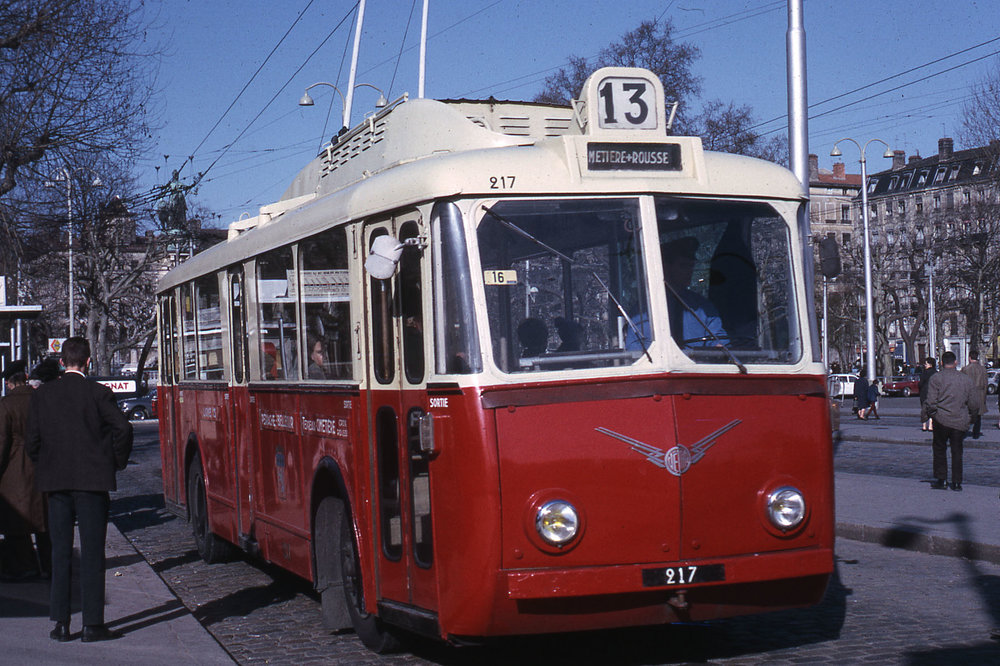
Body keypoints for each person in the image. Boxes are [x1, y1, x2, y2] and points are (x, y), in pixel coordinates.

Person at [26, 337, 134, 642]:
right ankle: (92, 623)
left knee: (60, 552)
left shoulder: (43, 395)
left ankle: (61, 622)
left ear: (62, 362)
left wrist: (45, 463)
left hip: (56, 482)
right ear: (88, 362)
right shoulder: (99, 393)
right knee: (92, 552)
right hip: (92, 482)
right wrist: (114, 462)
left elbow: (32, 440)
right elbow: (123, 429)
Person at [0, 361, 50, 580]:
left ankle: (25, 566)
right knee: (44, 522)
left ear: (8, 383)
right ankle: (49, 565)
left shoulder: (6, 405)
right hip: (43, 465)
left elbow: (1, 442)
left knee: (17, 522)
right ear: (26, 376)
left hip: (15, 468)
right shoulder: (41, 399)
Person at [924, 350, 973, 491]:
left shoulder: (936, 378)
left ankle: (942, 479)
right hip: (960, 419)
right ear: (956, 362)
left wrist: (933, 414)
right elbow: (974, 402)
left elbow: (931, 401)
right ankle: (957, 482)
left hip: (941, 419)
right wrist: (971, 416)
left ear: (941, 363)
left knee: (939, 449)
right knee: (957, 451)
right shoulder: (966, 379)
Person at [961, 349, 988, 439]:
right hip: (980, 394)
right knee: (978, 416)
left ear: (969, 358)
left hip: (969, 394)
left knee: (967, 414)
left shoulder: (965, 369)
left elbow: (962, 384)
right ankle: (976, 434)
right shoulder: (983, 369)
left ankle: (964, 432)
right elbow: (985, 384)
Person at [918, 357, 936, 431]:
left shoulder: (924, 373)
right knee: (932, 409)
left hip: (924, 393)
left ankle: (924, 425)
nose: (925, 365)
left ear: (930, 364)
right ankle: (931, 425)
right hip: (933, 393)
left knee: (924, 409)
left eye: (926, 363)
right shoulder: (935, 372)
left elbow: (920, 383)